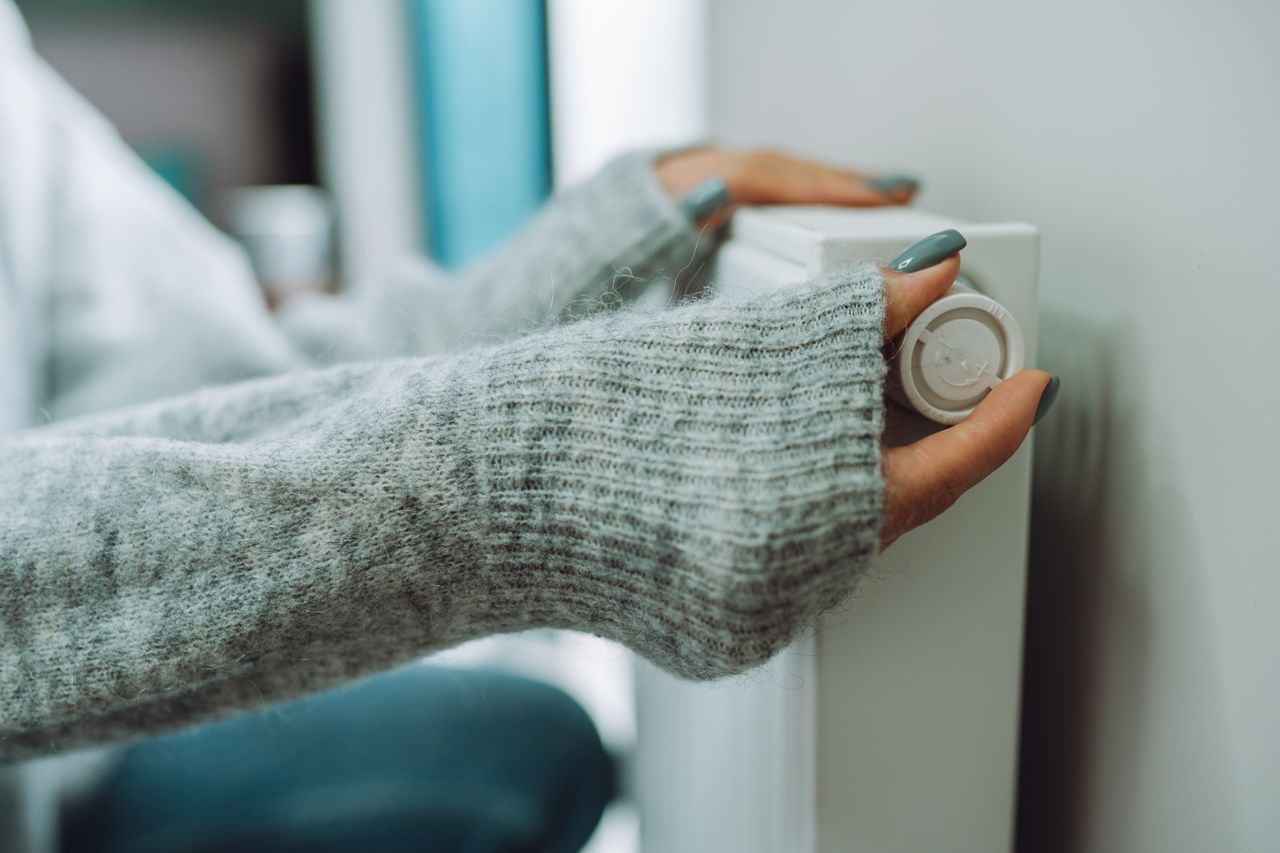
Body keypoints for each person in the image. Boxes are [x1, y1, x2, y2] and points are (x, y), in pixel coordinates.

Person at [0, 1, 1058, 850]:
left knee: (533, 746)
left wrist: (550, 279)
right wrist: (521, 481)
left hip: (49, 780)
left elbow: (205, 384)